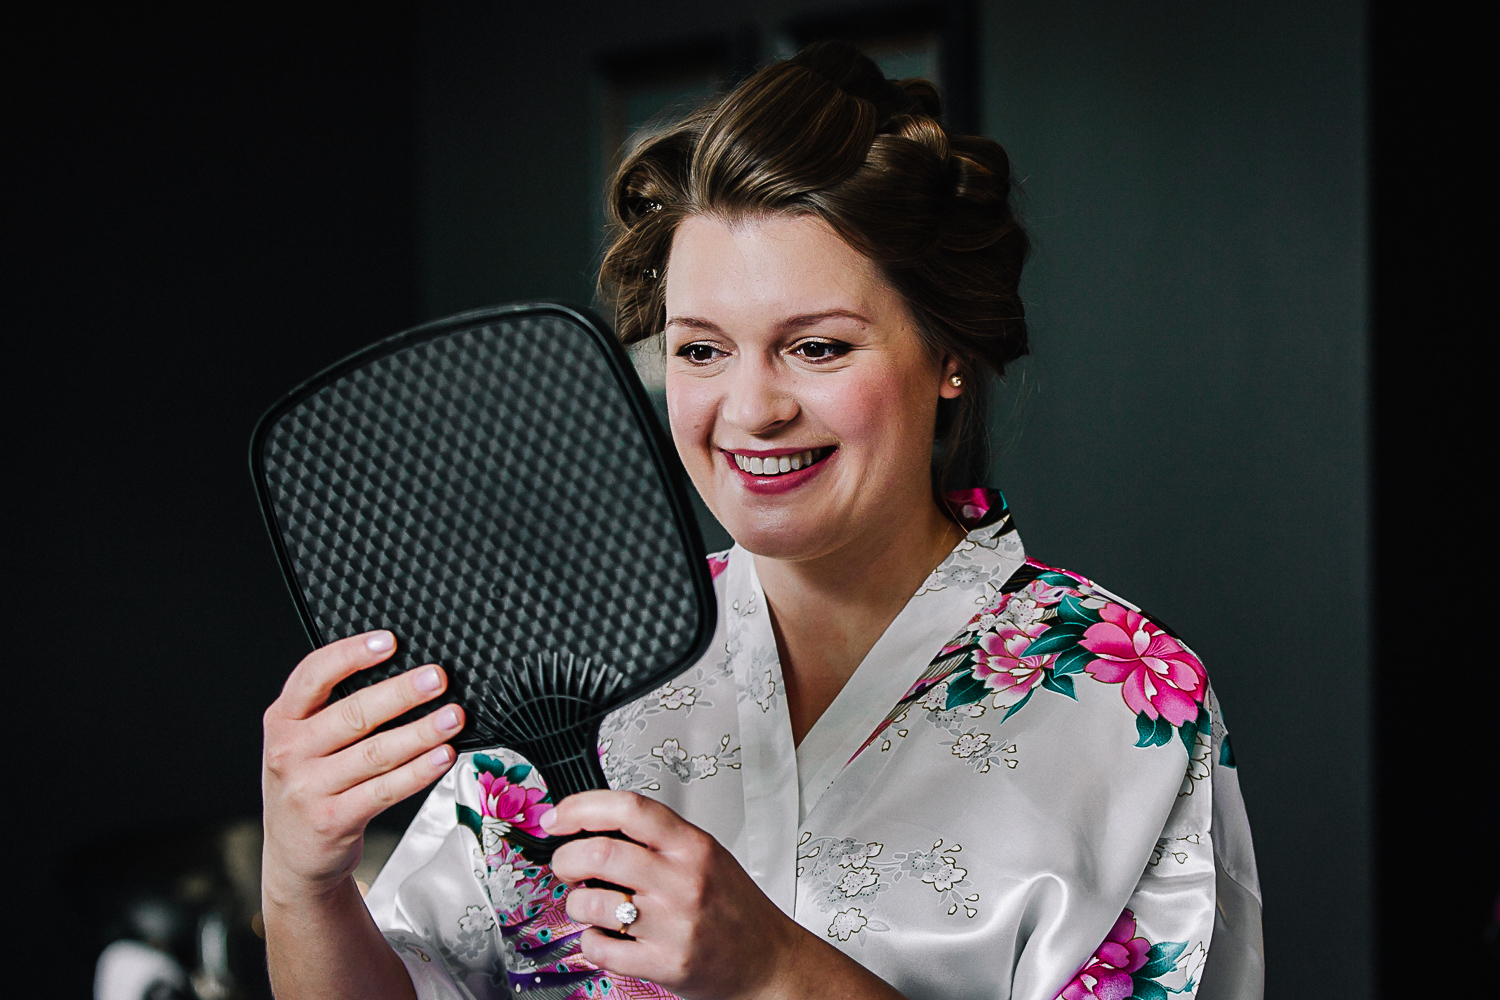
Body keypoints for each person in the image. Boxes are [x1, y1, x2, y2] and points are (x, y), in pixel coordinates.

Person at [259, 43, 1263, 1000]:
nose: (749, 411)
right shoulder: (575, 663)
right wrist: (302, 883)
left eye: (818, 347)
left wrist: (779, 971)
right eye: (700, 352)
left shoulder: (1126, 707)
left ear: (950, 353)